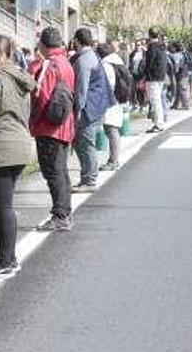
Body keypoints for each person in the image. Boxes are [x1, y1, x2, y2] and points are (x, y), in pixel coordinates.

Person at [0, 35, 35, 278]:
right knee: (4, 204)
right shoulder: (22, 79)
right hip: (21, 143)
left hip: (0, 147)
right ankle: (8, 258)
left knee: (2, 206)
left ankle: (6, 260)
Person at [29, 28, 76, 232]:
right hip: (65, 124)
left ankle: (60, 215)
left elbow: (41, 96)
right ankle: (64, 211)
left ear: (43, 46)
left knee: (53, 172)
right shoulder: (66, 63)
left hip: (49, 127)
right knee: (61, 171)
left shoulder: (50, 65)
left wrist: (32, 122)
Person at [71, 28, 115, 192]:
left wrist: (78, 110)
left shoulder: (84, 60)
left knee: (86, 143)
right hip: (97, 105)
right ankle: (86, 178)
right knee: (81, 142)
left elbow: (82, 88)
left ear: (77, 40)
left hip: (89, 108)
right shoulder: (92, 55)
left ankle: (89, 180)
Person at [98, 43, 125, 171]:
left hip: (111, 100)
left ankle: (113, 160)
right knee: (113, 129)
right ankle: (113, 158)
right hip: (118, 99)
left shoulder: (106, 64)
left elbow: (107, 84)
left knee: (111, 129)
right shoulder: (118, 61)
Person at [144, 28, 168, 132]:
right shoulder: (162, 46)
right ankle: (159, 122)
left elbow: (149, 63)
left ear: (149, 35)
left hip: (153, 77)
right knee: (157, 100)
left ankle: (159, 123)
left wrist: (145, 74)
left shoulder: (152, 47)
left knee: (155, 100)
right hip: (160, 76)